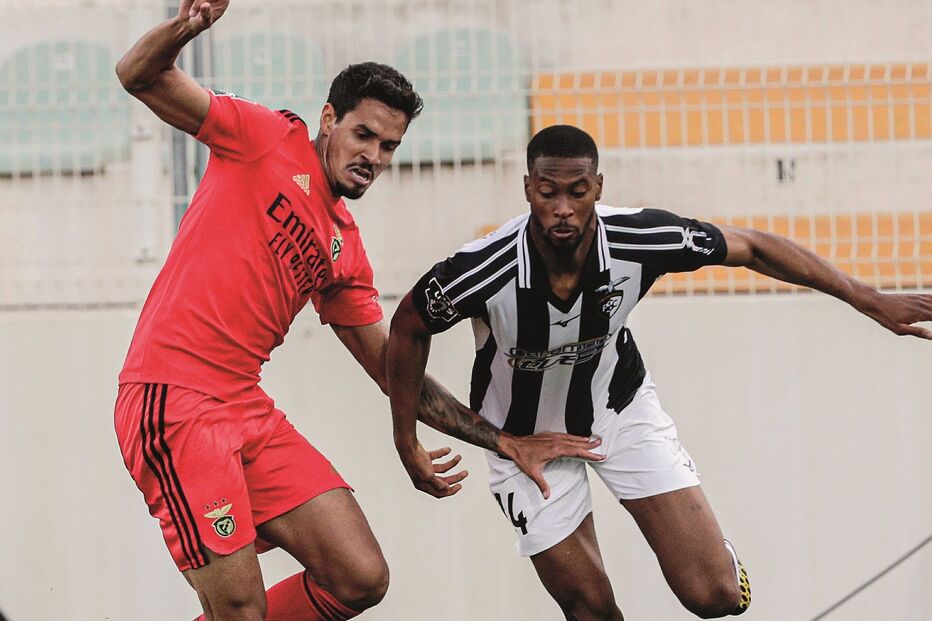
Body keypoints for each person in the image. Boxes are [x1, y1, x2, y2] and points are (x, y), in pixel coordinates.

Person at [112, 2, 601, 620]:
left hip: (242, 405)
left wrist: (502, 440)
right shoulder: (264, 137)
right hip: (173, 398)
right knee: (240, 609)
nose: (374, 155)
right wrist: (186, 28)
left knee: (358, 575)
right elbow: (138, 75)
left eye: (390, 146)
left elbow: (392, 368)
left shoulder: (344, 249)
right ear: (328, 120)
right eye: (363, 135)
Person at [387, 124, 932, 620]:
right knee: (589, 608)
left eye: (577, 191)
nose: (562, 209)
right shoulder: (483, 269)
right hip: (522, 441)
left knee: (713, 597)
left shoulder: (639, 238)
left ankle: (717, 559)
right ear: (527, 188)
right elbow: (407, 328)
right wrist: (410, 440)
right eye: (548, 192)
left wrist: (867, 298)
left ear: (598, 187)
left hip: (618, 412)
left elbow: (752, 247)